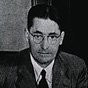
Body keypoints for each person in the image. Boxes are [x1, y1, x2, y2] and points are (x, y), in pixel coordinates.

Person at [0, 4, 87, 88]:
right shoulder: (4, 72)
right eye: (38, 36)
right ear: (27, 35)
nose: (45, 46)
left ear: (61, 38)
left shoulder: (76, 68)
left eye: (52, 37)